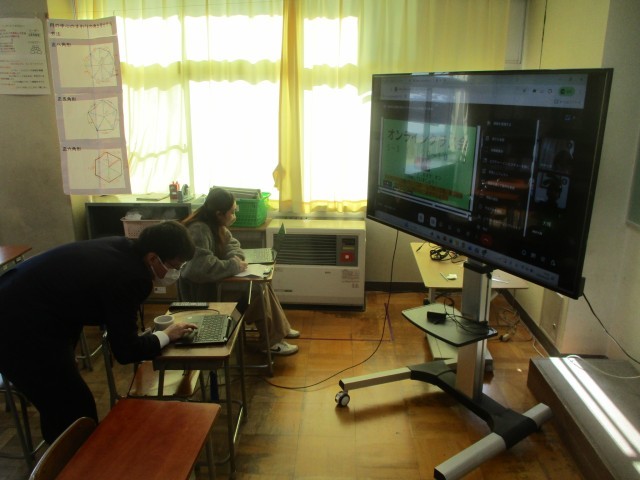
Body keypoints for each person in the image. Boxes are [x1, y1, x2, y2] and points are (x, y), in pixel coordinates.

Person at [0, 221, 199, 444]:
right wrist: (166, 335)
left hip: (25, 305)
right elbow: (126, 351)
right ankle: (71, 460)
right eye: (175, 266)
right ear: (153, 258)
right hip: (16, 325)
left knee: (64, 399)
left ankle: (68, 453)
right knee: (73, 408)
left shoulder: (124, 246)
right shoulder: (131, 277)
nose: (175, 273)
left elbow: (79, 300)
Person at [179, 187, 299, 355]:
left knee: (264, 284)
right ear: (219, 213)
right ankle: (271, 341)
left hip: (215, 284)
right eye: (232, 211)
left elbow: (232, 244)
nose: (234, 215)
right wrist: (234, 265)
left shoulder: (216, 224)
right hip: (203, 293)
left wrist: (235, 258)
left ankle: (280, 329)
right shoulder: (199, 230)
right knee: (256, 291)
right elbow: (200, 268)